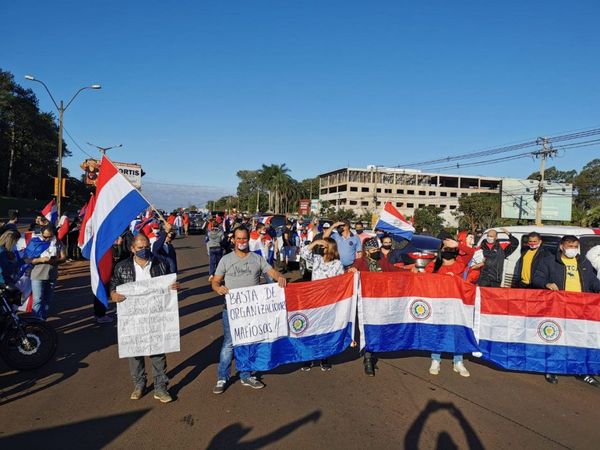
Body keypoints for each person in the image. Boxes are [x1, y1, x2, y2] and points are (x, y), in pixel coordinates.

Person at [211, 227, 287, 394]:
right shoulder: (226, 260)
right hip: (232, 310)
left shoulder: (257, 258)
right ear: (233, 240)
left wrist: (279, 277)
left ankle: (246, 374)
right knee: (229, 344)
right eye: (238, 239)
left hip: (253, 311)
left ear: (248, 239)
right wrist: (218, 288)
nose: (241, 242)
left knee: (250, 341)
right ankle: (222, 377)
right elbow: (215, 282)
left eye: (244, 239)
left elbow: (271, 271)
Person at [110, 233, 178, 403]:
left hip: (156, 316)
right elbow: (113, 285)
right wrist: (113, 295)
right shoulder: (121, 267)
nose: (144, 250)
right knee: (134, 352)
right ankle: (139, 384)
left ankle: (160, 387)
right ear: (132, 249)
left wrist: (175, 286)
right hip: (133, 318)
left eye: (146, 247)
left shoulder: (161, 264)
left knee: (157, 350)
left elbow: (170, 283)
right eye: (140, 248)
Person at [532, 235, 600, 386]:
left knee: (581, 340)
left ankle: (582, 371)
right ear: (562, 247)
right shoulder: (549, 261)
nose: (572, 249)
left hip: (581, 309)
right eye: (569, 246)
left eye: (575, 246)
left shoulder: (583, 262)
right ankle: (552, 368)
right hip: (558, 308)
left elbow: (593, 282)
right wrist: (547, 284)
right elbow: (536, 278)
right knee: (556, 338)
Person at [424, 238, 473, 377]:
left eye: (452, 249)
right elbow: (425, 282)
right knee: (438, 330)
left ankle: (458, 361)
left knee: (458, 331)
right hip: (439, 304)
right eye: (446, 248)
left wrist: (457, 244)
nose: (449, 251)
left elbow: (472, 252)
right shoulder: (433, 266)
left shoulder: (460, 264)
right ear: (441, 250)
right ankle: (435, 359)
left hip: (457, 305)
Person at [351, 238, 399, 376]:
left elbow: (393, 270)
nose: (376, 252)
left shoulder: (382, 261)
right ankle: (367, 359)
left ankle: (371, 355)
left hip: (380, 301)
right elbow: (352, 270)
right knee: (367, 329)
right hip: (366, 302)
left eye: (377, 250)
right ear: (366, 251)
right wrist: (352, 270)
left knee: (377, 328)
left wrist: (410, 271)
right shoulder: (361, 262)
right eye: (373, 250)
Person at [298, 238, 345, 372]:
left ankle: (324, 357)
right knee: (310, 329)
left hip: (328, 303)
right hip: (313, 301)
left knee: (324, 330)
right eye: (321, 246)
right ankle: (308, 358)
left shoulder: (337, 264)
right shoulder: (317, 259)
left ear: (331, 249)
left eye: (325, 246)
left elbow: (340, 283)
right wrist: (315, 243)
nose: (322, 248)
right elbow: (303, 253)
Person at [28, 225, 65, 321]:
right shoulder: (35, 243)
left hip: (52, 275)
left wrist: (56, 261)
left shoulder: (58, 242)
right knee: (38, 300)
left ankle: (42, 320)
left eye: (50, 236)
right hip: (37, 276)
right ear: (41, 234)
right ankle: (35, 321)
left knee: (47, 300)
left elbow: (63, 258)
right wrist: (40, 260)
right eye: (46, 236)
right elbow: (28, 259)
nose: (48, 238)